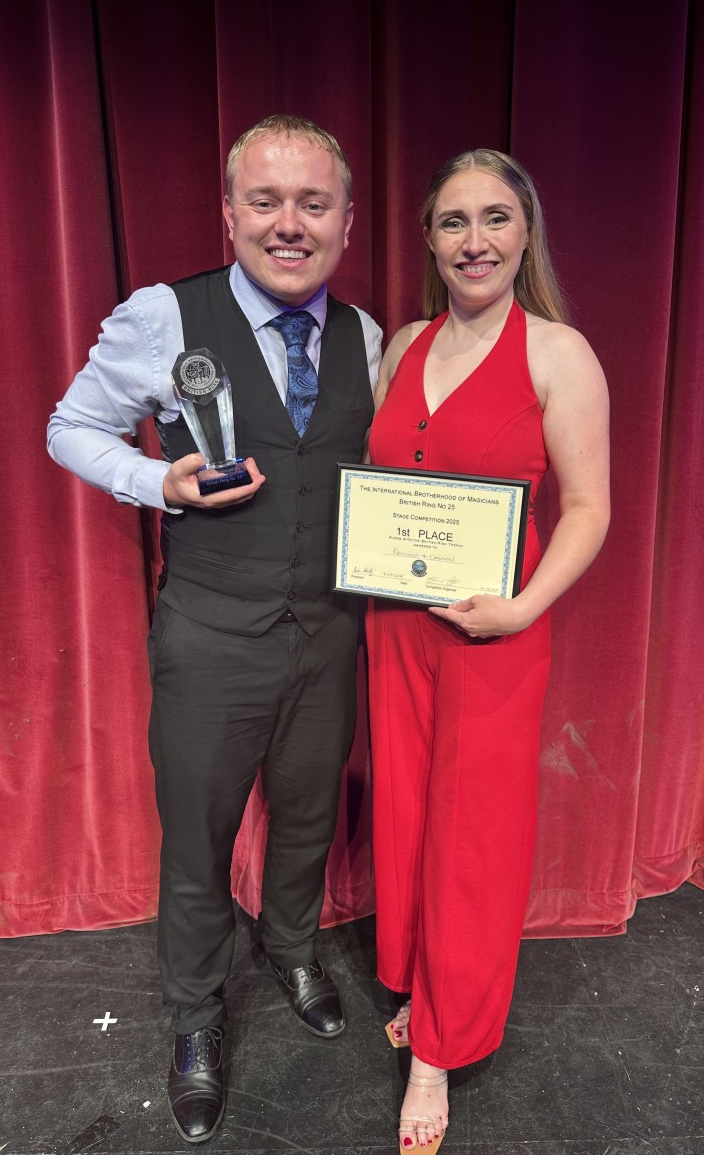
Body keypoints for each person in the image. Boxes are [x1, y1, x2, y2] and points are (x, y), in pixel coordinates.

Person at [48, 115, 382, 1145]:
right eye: (266, 201)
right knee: (197, 840)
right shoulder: (164, 315)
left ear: (346, 221)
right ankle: (194, 1017)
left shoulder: (368, 337)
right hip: (209, 635)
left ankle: (291, 948)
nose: (290, 224)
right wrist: (158, 482)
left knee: (308, 815)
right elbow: (71, 427)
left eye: (313, 203)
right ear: (229, 213)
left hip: (328, 632)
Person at [365, 150, 610, 1153]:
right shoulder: (401, 345)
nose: (475, 241)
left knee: (471, 835)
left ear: (525, 233)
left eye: (495, 218)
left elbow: (587, 508)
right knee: (407, 816)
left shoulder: (558, 353)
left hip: (492, 635)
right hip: (393, 629)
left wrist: (522, 608)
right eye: (454, 221)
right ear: (428, 238)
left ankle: (437, 1051)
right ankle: (418, 983)